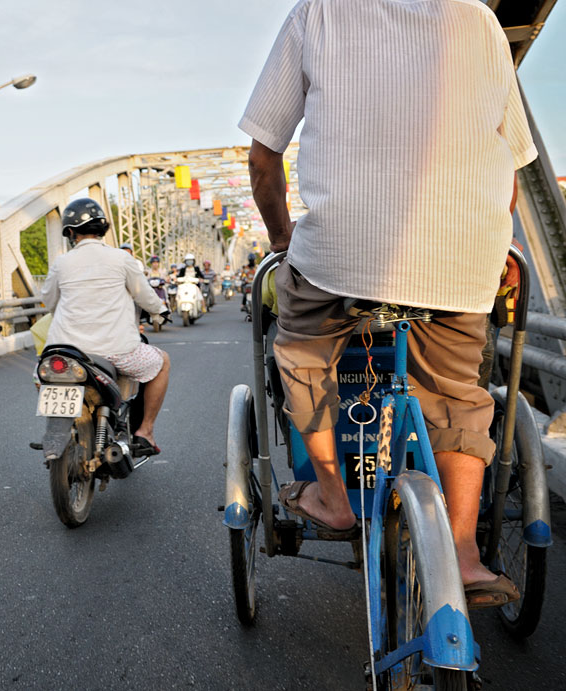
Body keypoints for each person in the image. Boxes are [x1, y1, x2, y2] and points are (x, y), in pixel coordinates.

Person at [241, 0, 536, 607]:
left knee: (300, 352)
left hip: (339, 254)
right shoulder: (478, 19)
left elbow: (263, 156)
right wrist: (485, 242)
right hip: (462, 254)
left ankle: (331, 496)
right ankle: (462, 551)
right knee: (457, 390)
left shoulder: (317, 13)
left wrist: (280, 238)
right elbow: (510, 162)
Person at [42, 198, 171, 454]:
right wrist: (161, 310)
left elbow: (48, 301)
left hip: (65, 352)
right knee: (162, 362)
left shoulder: (62, 263)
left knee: (45, 377)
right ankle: (145, 431)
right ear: (102, 229)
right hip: (117, 353)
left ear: (70, 232)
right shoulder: (121, 259)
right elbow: (144, 296)